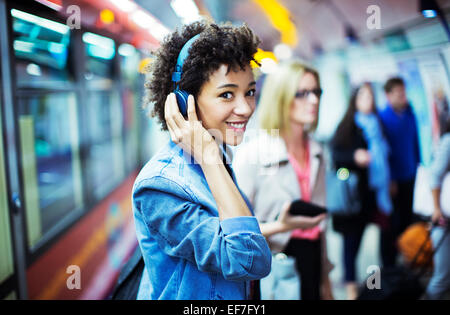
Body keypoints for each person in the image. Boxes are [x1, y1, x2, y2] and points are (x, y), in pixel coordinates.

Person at [132, 21, 272, 300]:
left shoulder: (213, 158)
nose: (245, 108)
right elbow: (248, 260)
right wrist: (209, 158)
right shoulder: (161, 187)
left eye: (250, 92)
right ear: (185, 102)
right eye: (226, 94)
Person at [234, 59, 334, 300]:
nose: (314, 100)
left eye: (316, 92)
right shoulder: (254, 154)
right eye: (302, 93)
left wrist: (326, 283)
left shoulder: (319, 152)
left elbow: (319, 224)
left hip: (313, 258)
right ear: (281, 97)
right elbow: (234, 230)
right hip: (273, 263)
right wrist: (284, 225)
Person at [330, 83, 392, 299]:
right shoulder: (348, 126)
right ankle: (350, 288)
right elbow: (336, 156)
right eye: (363, 95)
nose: (367, 99)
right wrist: (354, 157)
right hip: (353, 197)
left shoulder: (378, 124)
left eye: (370, 95)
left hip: (375, 194)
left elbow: (386, 156)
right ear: (354, 99)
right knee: (351, 244)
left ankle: (374, 285)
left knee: (375, 244)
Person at [378, 77, 421, 268]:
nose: (403, 97)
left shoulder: (410, 114)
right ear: (388, 95)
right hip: (392, 180)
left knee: (407, 219)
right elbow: (384, 154)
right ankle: (389, 264)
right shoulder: (382, 118)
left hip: (410, 174)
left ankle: (408, 258)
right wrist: (390, 180)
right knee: (391, 224)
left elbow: (415, 142)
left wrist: (418, 165)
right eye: (399, 93)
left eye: (404, 93)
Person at [425, 117, 450, 300]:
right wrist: (436, 209)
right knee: (442, 279)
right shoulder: (448, 141)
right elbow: (434, 175)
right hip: (445, 220)